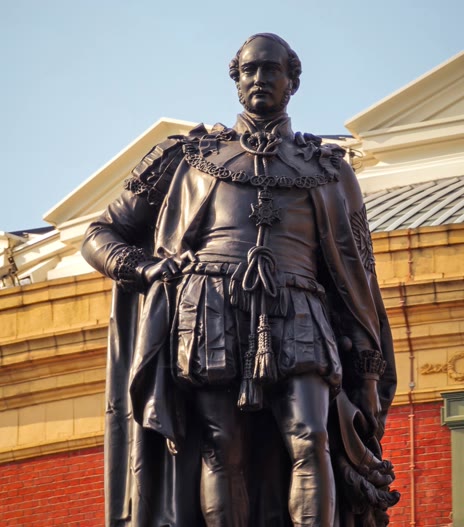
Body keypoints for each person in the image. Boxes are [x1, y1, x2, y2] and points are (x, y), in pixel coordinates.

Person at [82, 33, 399, 527]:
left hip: (299, 304)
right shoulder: (186, 156)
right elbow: (100, 234)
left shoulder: (329, 168)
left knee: (311, 434)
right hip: (208, 305)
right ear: (236, 81)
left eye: (271, 69)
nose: (259, 79)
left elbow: (358, 277)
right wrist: (144, 268)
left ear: (292, 81)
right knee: (219, 443)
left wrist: (368, 370)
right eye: (249, 70)